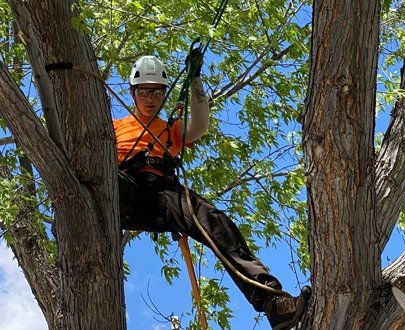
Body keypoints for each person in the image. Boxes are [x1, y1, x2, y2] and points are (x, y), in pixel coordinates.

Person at [114, 54, 311, 330]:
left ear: (164, 93)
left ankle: (271, 302)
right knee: (115, 182)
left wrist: (195, 81)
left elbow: (200, 126)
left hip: (163, 195)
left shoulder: (170, 130)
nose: (150, 98)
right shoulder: (113, 128)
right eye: (144, 92)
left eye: (157, 92)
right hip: (124, 191)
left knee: (215, 223)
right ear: (132, 93)